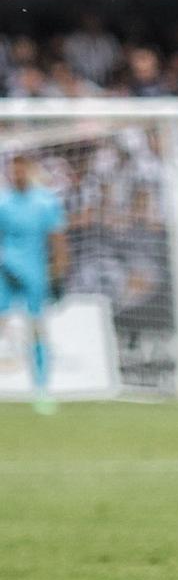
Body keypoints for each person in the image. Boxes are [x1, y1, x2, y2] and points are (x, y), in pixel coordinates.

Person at [0, 154, 68, 414]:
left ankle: (41, 389)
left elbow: (58, 240)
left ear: (29, 170)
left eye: (21, 169)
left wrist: (60, 274)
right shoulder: (3, 202)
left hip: (34, 274)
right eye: (12, 170)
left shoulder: (45, 201)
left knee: (37, 329)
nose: (16, 174)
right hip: (5, 273)